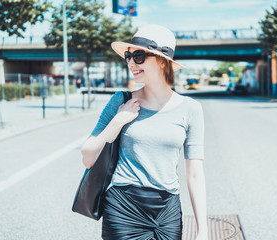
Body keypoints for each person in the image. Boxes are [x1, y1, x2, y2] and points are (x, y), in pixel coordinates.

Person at [81, 24, 207, 240]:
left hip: (167, 210)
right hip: (123, 207)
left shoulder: (191, 109)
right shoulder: (121, 101)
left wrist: (202, 230)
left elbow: (195, 174)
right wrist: (118, 121)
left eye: (138, 56)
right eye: (129, 56)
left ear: (161, 60)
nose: (130, 62)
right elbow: (88, 157)